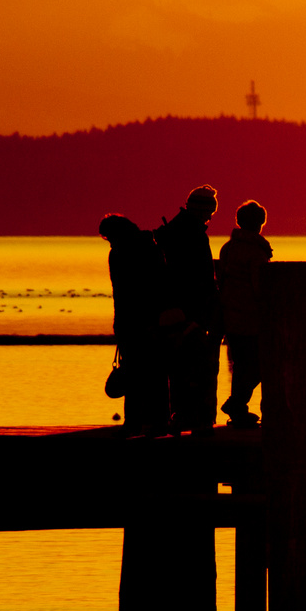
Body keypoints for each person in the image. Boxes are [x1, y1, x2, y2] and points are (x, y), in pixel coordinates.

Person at [155, 186, 223, 433]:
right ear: (204, 209)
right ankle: (193, 417)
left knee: (179, 367)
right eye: (210, 212)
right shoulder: (194, 234)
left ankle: (181, 415)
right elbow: (200, 276)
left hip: (172, 307)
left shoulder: (172, 230)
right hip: (189, 310)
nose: (210, 217)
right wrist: (206, 309)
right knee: (194, 366)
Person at [100, 213, 171, 436]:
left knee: (141, 372)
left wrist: (126, 322)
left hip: (137, 320)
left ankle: (138, 421)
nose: (109, 242)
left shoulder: (124, 253)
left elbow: (133, 292)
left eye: (109, 237)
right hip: (138, 320)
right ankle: (154, 420)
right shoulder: (150, 248)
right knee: (152, 372)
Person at [218, 200, 272, 428]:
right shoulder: (256, 251)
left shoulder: (228, 248)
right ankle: (236, 403)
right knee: (259, 364)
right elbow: (260, 285)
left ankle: (238, 408)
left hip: (230, 316)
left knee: (241, 364)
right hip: (251, 317)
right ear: (260, 224)